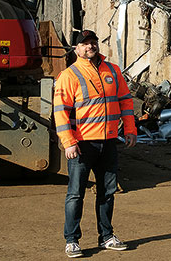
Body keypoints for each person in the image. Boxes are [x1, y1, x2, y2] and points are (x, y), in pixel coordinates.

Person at [54, 30, 137, 258]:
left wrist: (130, 129)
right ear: (76, 49)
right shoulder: (69, 76)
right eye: (85, 44)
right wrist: (69, 142)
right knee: (75, 194)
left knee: (107, 192)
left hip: (108, 142)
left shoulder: (112, 70)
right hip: (82, 145)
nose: (90, 46)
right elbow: (60, 112)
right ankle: (72, 240)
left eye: (93, 42)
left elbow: (125, 101)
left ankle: (106, 236)